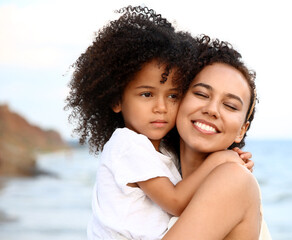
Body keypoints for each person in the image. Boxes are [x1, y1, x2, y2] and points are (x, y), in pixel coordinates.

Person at [65, 6, 254, 239]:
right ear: (116, 100)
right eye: (147, 94)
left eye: (172, 95)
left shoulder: (164, 154)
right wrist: (220, 160)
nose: (161, 107)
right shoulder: (128, 145)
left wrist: (227, 165)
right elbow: (175, 202)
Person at [163, 35, 271, 239]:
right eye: (202, 94)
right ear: (178, 99)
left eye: (230, 106)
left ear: (242, 130)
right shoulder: (157, 177)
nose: (212, 110)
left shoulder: (234, 178)